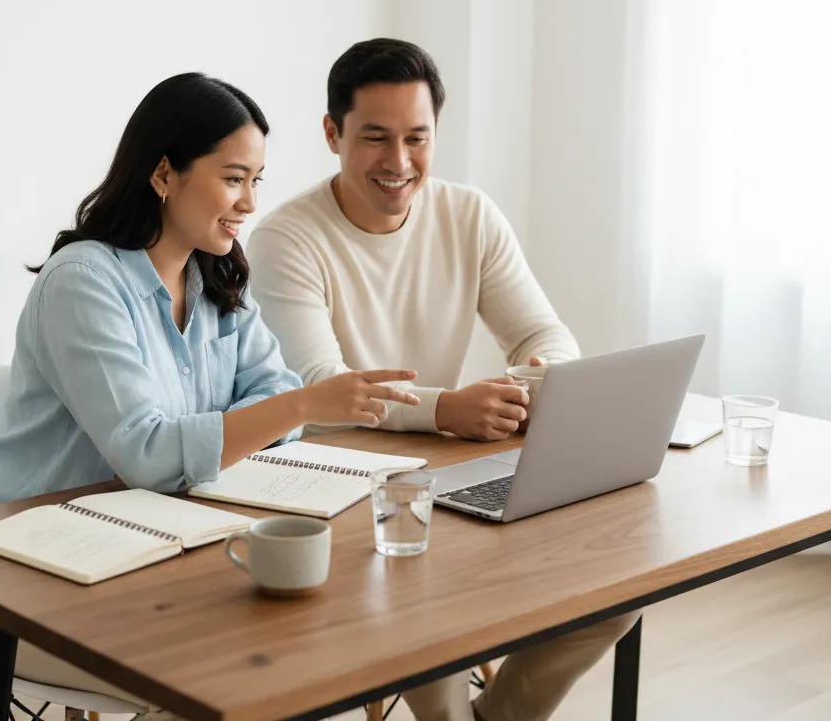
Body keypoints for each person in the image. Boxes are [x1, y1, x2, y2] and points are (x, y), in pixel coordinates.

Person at [0, 72, 420, 702]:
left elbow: (273, 393)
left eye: (256, 181)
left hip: (155, 548)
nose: (250, 203)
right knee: (228, 678)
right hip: (28, 571)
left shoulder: (218, 277)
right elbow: (148, 454)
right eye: (233, 178)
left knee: (321, 640)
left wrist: (276, 410)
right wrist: (302, 403)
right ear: (163, 175)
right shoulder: (84, 283)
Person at [246, 39, 639, 721]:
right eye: (375, 138)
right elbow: (324, 386)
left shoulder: (469, 215)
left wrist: (542, 378)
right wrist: (446, 409)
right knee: (427, 598)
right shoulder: (286, 238)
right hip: (338, 490)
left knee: (618, 584)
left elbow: (545, 333)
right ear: (332, 133)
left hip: (447, 475)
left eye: (416, 139)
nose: (399, 163)